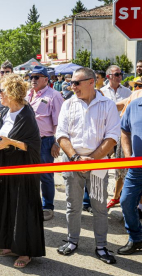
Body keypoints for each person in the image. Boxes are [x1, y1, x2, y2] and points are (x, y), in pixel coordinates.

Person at [56, 67, 120, 264]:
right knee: (72, 205)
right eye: (71, 83)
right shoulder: (68, 104)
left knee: (99, 208)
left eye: (76, 83)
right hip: (72, 162)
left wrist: (91, 159)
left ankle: (101, 246)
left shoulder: (108, 105)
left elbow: (112, 137)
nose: (72, 87)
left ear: (91, 82)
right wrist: (76, 158)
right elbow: (61, 135)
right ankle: (72, 241)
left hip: (98, 165)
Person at [0, 74, 45, 269]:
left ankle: (25, 251)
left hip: (22, 171)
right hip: (5, 166)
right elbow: (1, 134)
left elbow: (32, 145)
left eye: (2, 90)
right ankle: (8, 243)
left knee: (22, 207)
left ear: (12, 93)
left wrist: (9, 142)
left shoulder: (26, 114)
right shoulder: (5, 112)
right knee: (6, 204)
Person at [27, 66, 64, 221]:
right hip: (28, 141)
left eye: (37, 77)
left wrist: (57, 143)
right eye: (31, 77)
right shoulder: (28, 94)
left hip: (45, 141)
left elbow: (61, 122)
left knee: (46, 176)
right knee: (30, 175)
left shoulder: (54, 95)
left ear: (46, 79)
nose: (33, 80)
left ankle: (47, 207)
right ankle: (33, 204)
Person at [100, 65, 131, 210]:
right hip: (105, 134)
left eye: (121, 73)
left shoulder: (127, 92)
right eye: (117, 74)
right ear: (108, 77)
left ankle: (116, 195)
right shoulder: (101, 92)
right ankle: (100, 195)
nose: (120, 76)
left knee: (121, 167)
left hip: (123, 134)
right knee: (102, 165)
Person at [118, 93, 142, 255]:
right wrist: (128, 156)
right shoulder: (134, 105)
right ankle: (136, 238)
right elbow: (124, 130)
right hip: (136, 167)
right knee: (126, 201)